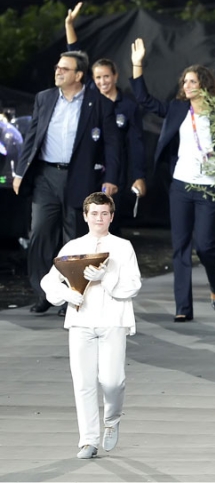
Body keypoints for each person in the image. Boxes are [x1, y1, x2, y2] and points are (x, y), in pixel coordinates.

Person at [13, 46, 121, 316]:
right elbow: (32, 137)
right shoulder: (45, 98)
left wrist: (111, 178)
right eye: (57, 67)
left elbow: (112, 144)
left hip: (79, 176)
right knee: (39, 233)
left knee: (74, 239)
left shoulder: (98, 103)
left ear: (78, 75)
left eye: (64, 68)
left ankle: (73, 296)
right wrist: (19, 172)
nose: (58, 71)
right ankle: (44, 294)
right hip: (45, 176)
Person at [40, 192, 141, 459]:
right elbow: (49, 281)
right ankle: (88, 440)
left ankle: (112, 419)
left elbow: (133, 285)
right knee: (83, 382)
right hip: (81, 320)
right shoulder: (73, 247)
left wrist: (105, 278)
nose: (99, 218)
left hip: (112, 320)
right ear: (85, 216)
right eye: (94, 213)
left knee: (112, 381)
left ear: (111, 216)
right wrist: (66, 294)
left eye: (104, 213)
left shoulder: (123, 247)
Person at [130, 38, 215, 322]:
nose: (187, 85)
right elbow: (145, 100)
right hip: (181, 185)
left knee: (205, 246)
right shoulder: (177, 109)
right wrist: (137, 65)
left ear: (204, 85)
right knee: (180, 247)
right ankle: (183, 308)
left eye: (193, 81)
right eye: (185, 81)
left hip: (209, 187)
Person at [65, 2, 146, 230]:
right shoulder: (88, 98)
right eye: (98, 78)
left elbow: (136, 143)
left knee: (109, 223)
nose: (102, 82)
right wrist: (69, 25)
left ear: (116, 76)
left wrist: (139, 176)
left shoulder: (127, 106)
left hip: (113, 171)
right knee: (84, 222)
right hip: (86, 169)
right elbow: (76, 56)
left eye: (106, 77)